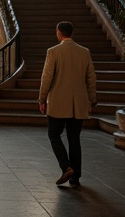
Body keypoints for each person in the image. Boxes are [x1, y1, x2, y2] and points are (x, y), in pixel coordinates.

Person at [38, 21, 97, 187]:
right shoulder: (84, 52)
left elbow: (47, 78)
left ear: (59, 33)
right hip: (78, 104)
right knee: (74, 139)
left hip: (57, 103)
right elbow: (91, 78)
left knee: (53, 134)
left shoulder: (53, 52)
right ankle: (75, 177)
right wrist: (92, 98)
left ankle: (66, 167)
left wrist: (42, 99)